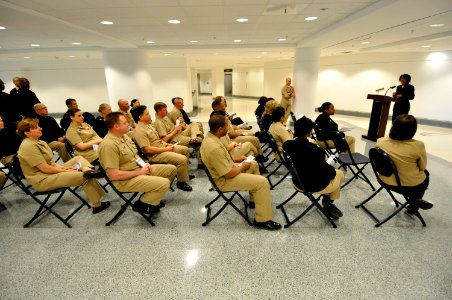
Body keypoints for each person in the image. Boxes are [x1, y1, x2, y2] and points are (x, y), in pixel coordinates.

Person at [200, 114, 281, 230]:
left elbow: (222, 160)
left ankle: (255, 199)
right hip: (223, 180)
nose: (228, 128)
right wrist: (242, 167)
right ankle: (262, 220)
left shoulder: (211, 139)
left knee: (253, 164)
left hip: (226, 170)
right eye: (226, 126)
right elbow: (227, 174)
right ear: (219, 129)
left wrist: (238, 160)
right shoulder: (214, 147)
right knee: (262, 182)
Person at [16, 118, 110, 214]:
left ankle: (87, 170)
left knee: (79, 159)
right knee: (84, 177)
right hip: (42, 179)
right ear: (26, 133)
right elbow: (45, 168)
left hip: (50, 172)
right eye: (36, 128)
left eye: (38, 126)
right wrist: (65, 171)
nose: (40, 128)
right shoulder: (28, 147)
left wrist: (63, 167)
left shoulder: (40, 142)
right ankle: (97, 206)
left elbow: (51, 162)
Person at [99, 112, 177, 214]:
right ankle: (142, 204)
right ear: (116, 126)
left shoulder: (124, 136)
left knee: (171, 170)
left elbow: (135, 156)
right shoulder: (108, 145)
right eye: (125, 123)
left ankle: (152, 198)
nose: (129, 124)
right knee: (164, 183)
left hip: (139, 169)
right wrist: (140, 172)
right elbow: (114, 175)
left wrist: (145, 165)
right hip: (125, 180)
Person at [283, 117, 345, 220]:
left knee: (334, 172)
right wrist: (331, 169)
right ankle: (328, 201)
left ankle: (327, 200)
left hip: (297, 181)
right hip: (312, 185)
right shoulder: (315, 151)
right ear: (310, 132)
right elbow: (328, 172)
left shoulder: (287, 145)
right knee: (339, 174)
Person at [376, 114, 433, 213]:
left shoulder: (380, 142)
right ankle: (413, 205)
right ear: (413, 130)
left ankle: (414, 201)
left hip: (383, 180)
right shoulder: (418, 146)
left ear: (393, 126)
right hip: (407, 186)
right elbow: (422, 167)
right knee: (426, 176)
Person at [131, 105, 193, 192]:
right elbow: (147, 150)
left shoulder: (148, 125)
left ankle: (183, 174)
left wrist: (167, 144)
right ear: (140, 117)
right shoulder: (139, 131)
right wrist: (166, 149)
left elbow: (158, 140)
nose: (150, 115)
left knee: (185, 150)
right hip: (155, 155)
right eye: (147, 114)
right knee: (182, 159)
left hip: (162, 148)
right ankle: (181, 182)